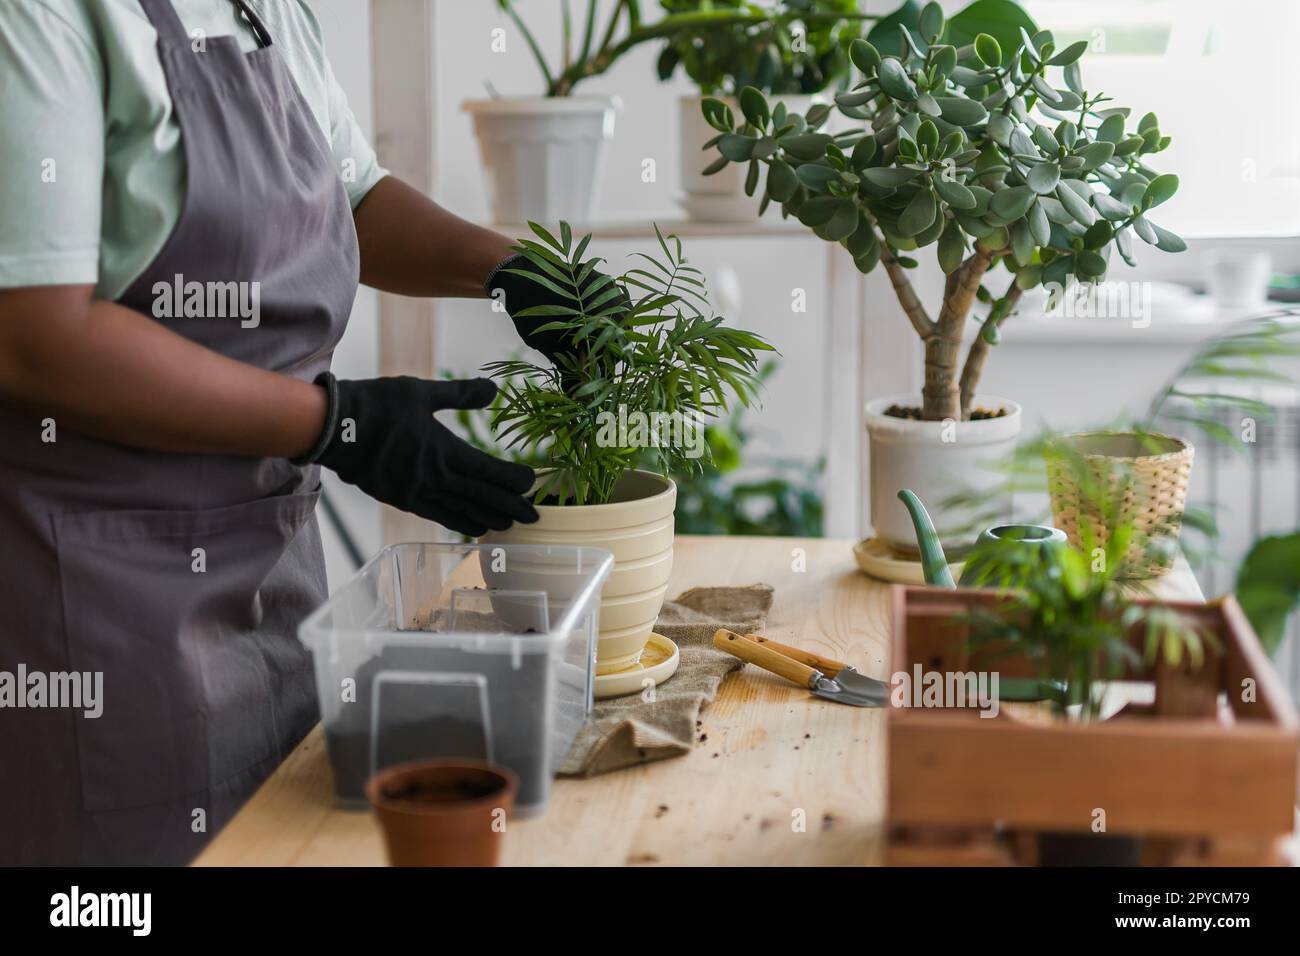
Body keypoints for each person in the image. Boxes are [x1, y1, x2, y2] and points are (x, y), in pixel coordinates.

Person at [0, 0, 597, 864]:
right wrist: (340, 423)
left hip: (269, 564)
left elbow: (349, 194)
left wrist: (509, 272)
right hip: (92, 599)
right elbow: (37, 339)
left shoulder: (263, 7)